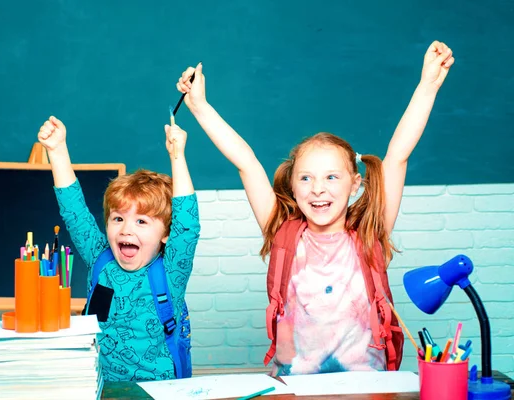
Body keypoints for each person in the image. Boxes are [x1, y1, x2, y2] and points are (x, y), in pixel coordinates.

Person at [176, 41, 454, 375]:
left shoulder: (370, 234)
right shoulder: (282, 233)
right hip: (295, 385)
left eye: (331, 177)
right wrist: (200, 107)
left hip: (365, 387)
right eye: (306, 178)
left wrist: (428, 86)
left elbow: (397, 156)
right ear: (292, 186)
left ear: (354, 184)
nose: (318, 189)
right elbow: (246, 163)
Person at [37, 116, 200, 381]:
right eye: (118, 218)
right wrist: (56, 150)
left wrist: (177, 157)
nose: (126, 229)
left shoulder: (171, 273)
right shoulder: (100, 258)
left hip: (161, 391)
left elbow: (187, 227)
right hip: (100, 386)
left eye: (141, 221)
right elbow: (74, 211)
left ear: (166, 234)